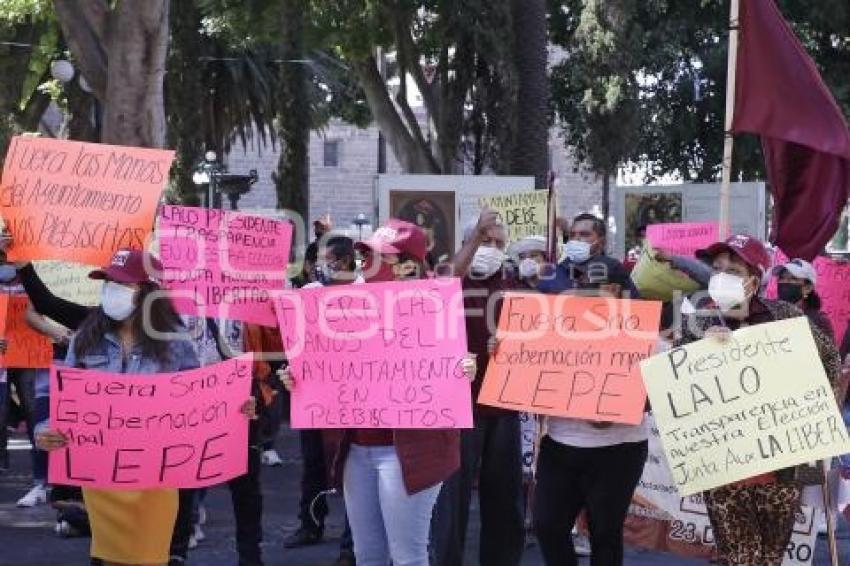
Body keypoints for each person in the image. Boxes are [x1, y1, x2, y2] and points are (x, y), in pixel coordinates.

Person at [34, 249, 256, 566]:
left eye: (123, 284)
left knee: (151, 557)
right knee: (106, 558)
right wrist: (46, 432)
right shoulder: (85, 339)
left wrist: (236, 408)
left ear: (149, 293)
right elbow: (64, 406)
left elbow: (200, 403)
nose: (112, 290)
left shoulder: (175, 342)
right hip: (101, 480)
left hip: (156, 482)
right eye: (109, 282)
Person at [282, 219, 475, 566]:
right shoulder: (343, 305)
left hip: (411, 452)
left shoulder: (434, 303)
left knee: (407, 557)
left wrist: (463, 369)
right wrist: (299, 378)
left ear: (408, 265)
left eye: (378, 257)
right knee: (367, 555)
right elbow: (325, 366)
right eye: (365, 255)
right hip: (356, 450)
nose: (366, 264)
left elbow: (451, 364)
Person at [678, 235, 841, 565]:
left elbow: (831, 362)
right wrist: (699, 351)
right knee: (742, 558)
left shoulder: (786, 317)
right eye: (718, 269)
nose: (722, 277)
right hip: (724, 469)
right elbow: (676, 381)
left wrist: (814, 407)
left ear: (755, 279)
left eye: (733, 270)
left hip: (781, 468)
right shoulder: (698, 320)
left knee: (769, 558)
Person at [532, 212, 647, 566]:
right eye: (581, 285)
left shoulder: (640, 335)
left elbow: (652, 397)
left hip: (618, 450)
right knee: (548, 526)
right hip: (561, 443)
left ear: (618, 290)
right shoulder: (551, 324)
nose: (587, 293)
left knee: (605, 535)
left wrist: (613, 410)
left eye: (599, 286)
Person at [431, 209, 526, 566]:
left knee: (505, 497)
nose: (491, 248)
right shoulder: (450, 275)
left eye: (498, 243)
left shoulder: (510, 281)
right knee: (451, 501)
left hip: (502, 404)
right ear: (467, 243)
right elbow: (442, 284)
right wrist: (475, 240)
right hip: (459, 405)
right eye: (485, 240)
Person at [284, 235, 357, 566]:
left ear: (344, 262)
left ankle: (351, 542)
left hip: (353, 394)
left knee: (352, 467)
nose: (321, 267)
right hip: (314, 391)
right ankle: (310, 523)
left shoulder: (365, 293)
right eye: (320, 261)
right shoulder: (309, 294)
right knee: (313, 460)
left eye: (328, 260)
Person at [773, 258, 835, 339]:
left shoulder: (818, 321)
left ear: (808, 288)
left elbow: (828, 351)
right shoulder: (767, 312)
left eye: (793, 279)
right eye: (781, 278)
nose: (785, 282)